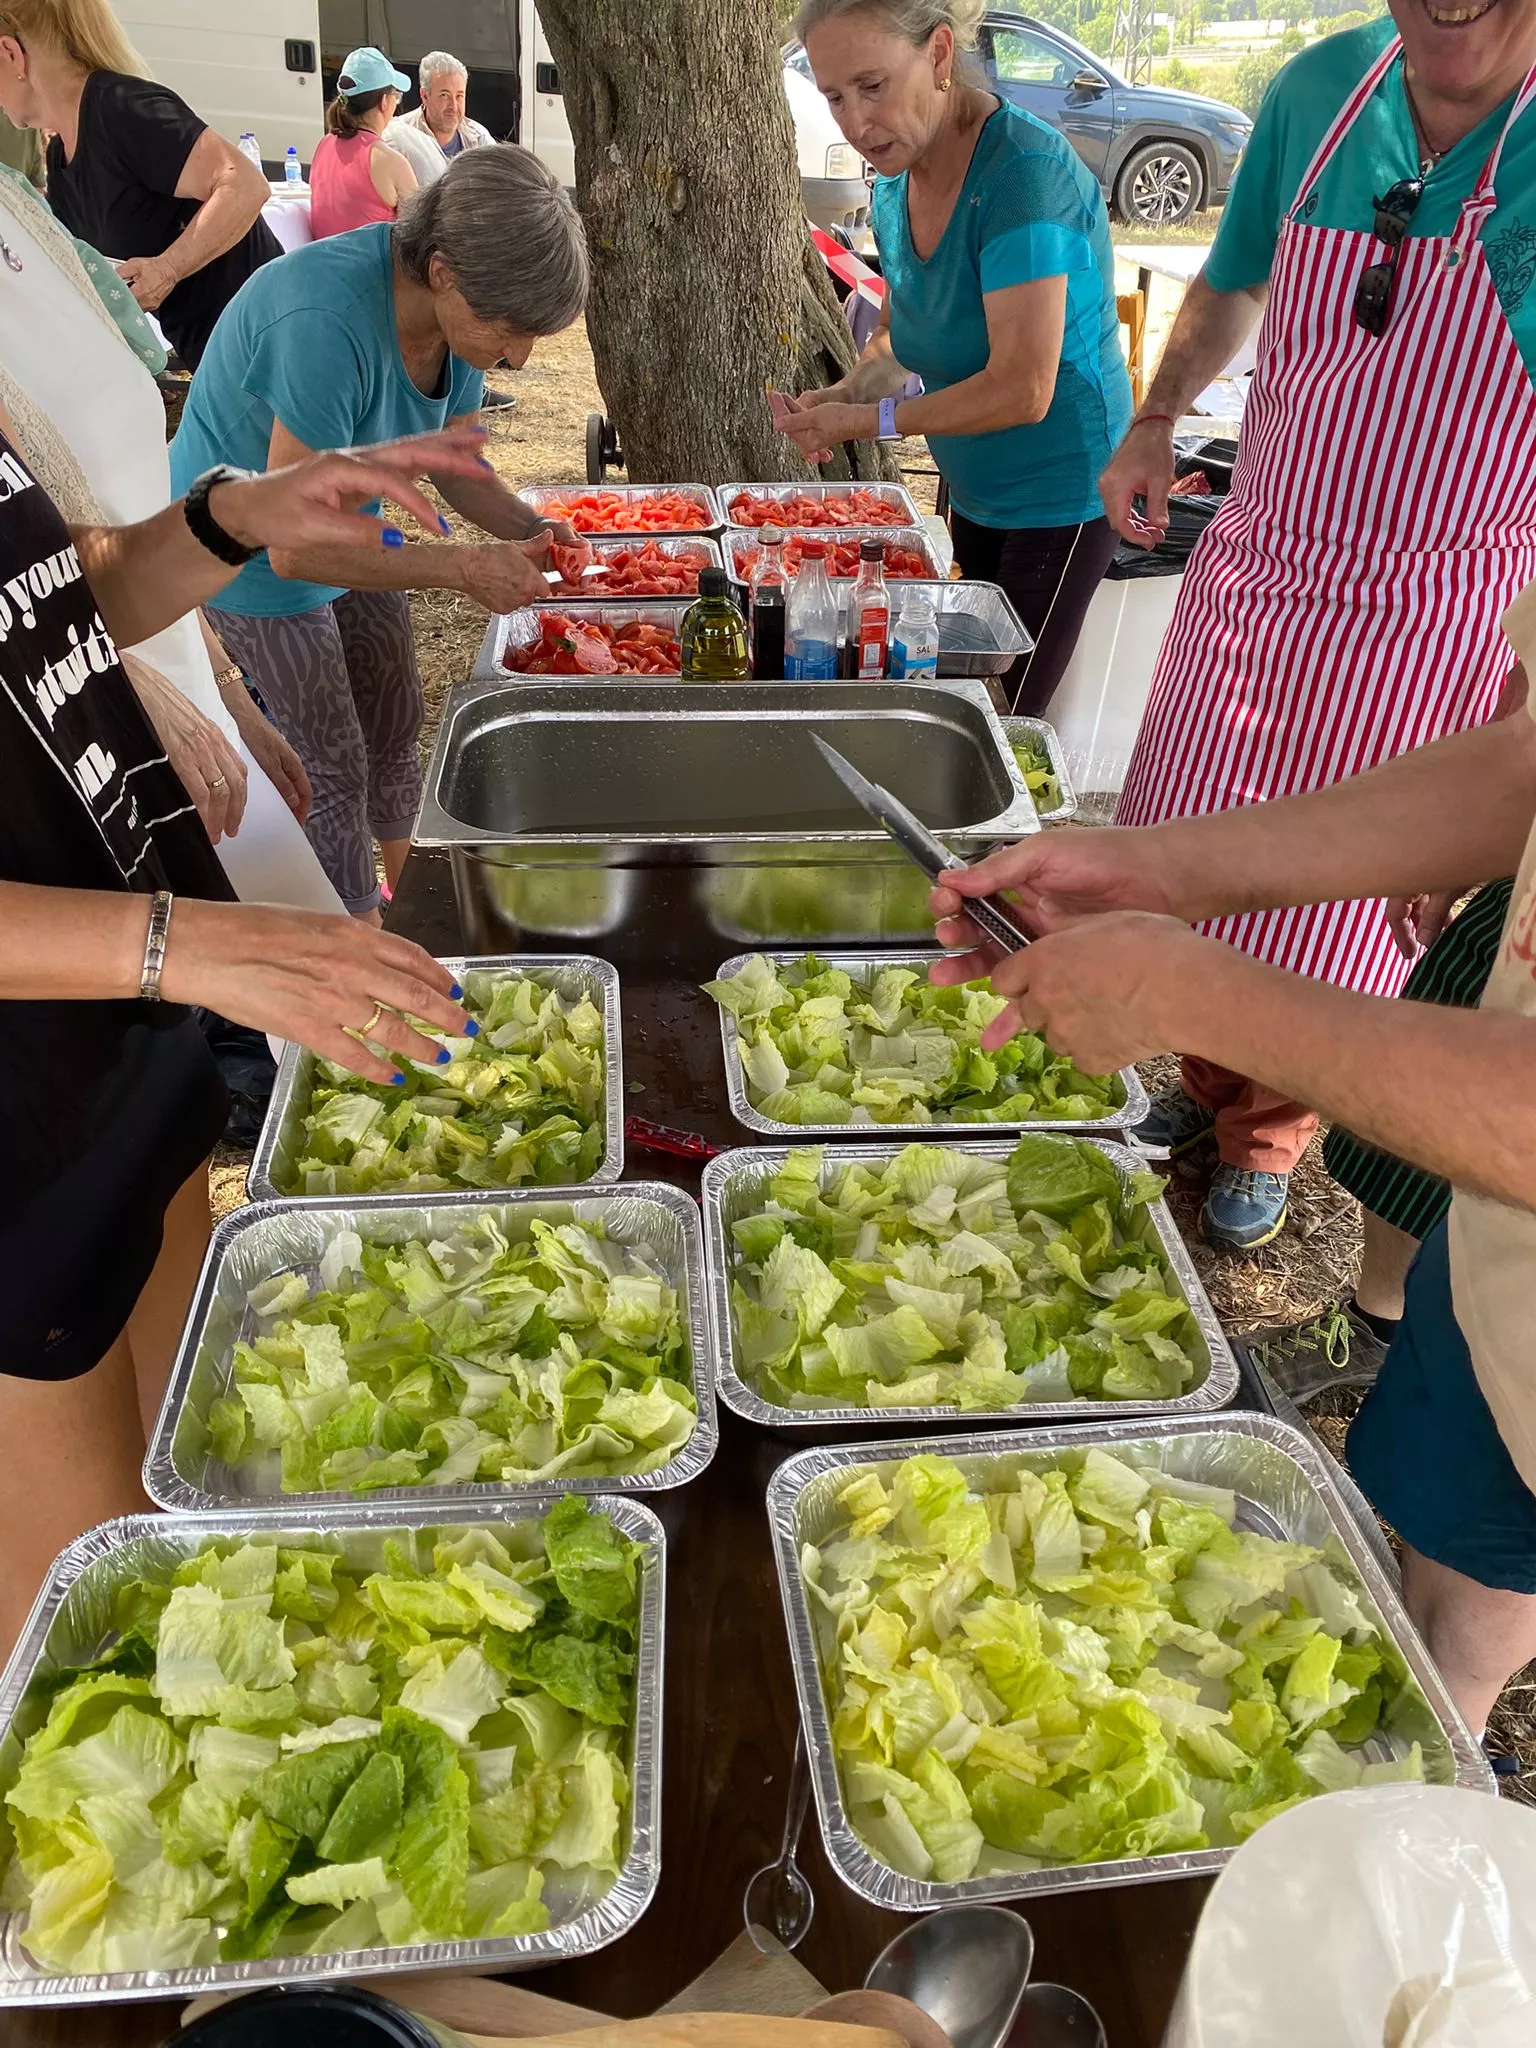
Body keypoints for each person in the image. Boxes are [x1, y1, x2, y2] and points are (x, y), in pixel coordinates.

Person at [927, 578, 1536, 1738]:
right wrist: (1167, 869)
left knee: (1464, 1643)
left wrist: (1194, 992)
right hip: (1500, 1262)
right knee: (1453, 1580)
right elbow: (1526, 762)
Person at [0, 422, 488, 1656]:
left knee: (207, 1517)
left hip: (120, 1046)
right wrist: (179, 944)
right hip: (21, 1149)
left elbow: (44, 606)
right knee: (109, 1654)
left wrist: (227, 522)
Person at [1098, 2, 1536, 1254]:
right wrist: (1155, 417)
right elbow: (1233, 277)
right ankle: (1205, 1077)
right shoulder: (1320, 91)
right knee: (1187, 848)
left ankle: (1268, 1134)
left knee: (1330, 916)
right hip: (1261, 569)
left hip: (1430, 617)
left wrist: (1520, 711)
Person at [170, 145, 590, 918]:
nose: (519, 357)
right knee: (328, 767)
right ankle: (360, 940)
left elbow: (457, 465)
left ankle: (419, 913)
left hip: (343, 524)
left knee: (395, 724)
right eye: (510, 330)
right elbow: (295, 546)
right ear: (442, 272)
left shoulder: (457, 320)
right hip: (244, 552)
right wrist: (461, 567)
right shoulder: (324, 320)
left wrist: (537, 527)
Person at [774, 0, 1132, 716]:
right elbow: (902, 340)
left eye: (872, 86)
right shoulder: (893, 182)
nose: (854, 123)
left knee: (999, 718)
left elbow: (1022, 388)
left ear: (940, 54)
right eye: (834, 97)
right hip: (972, 488)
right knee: (948, 694)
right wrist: (841, 396)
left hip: (1061, 498)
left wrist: (867, 421)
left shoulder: (1023, 175)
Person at [0, 161, 337, 914]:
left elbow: (124, 506)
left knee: (300, 938)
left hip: (173, 693)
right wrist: (111, 681)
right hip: (81, 731)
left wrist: (230, 691)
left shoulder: (22, 208)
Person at [0, 0, 280, 371]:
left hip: (271, 339)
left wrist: (167, 268)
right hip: (217, 355)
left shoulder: (121, 108)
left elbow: (244, 185)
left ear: (11, 54)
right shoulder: (60, 157)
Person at [310, 45, 419, 241]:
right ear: (384, 101)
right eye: (396, 96)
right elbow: (415, 240)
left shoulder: (324, 145)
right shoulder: (391, 162)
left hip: (320, 259)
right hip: (370, 261)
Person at [385, 49, 496, 189]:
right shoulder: (398, 138)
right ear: (424, 96)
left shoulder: (480, 140)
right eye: (444, 95)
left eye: (459, 96)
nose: (453, 106)